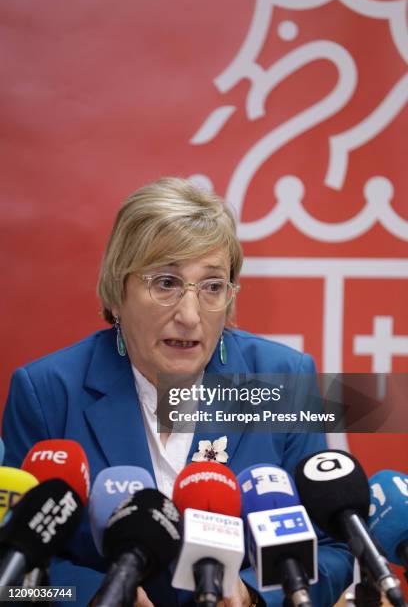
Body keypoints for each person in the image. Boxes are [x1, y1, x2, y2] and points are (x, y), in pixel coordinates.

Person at [2, 177, 353, 606]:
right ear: (117, 290)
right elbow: (17, 569)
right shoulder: (45, 392)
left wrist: (253, 595)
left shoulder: (281, 379)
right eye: (166, 282)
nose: (190, 316)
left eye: (212, 287)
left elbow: (332, 551)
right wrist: (102, 595)